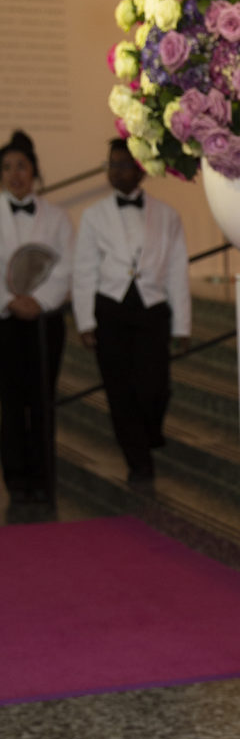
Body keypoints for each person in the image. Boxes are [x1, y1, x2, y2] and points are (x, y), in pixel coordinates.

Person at [73, 139, 191, 485]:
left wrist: (182, 325)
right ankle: (138, 463)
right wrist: (85, 320)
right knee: (119, 390)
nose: (117, 171)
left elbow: (177, 271)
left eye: (125, 164)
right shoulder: (94, 215)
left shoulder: (167, 215)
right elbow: (84, 270)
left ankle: (149, 433)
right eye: (112, 165)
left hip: (152, 309)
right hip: (110, 308)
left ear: (141, 169)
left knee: (156, 388)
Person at [0, 132, 72, 511]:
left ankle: (43, 478)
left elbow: (66, 267)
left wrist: (39, 301)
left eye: (22, 166)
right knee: (10, 403)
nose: (15, 174)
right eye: (7, 168)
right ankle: (16, 480)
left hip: (45, 323)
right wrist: (10, 301)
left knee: (42, 400)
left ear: (34, 171)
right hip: (4, 321)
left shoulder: (57, 218)